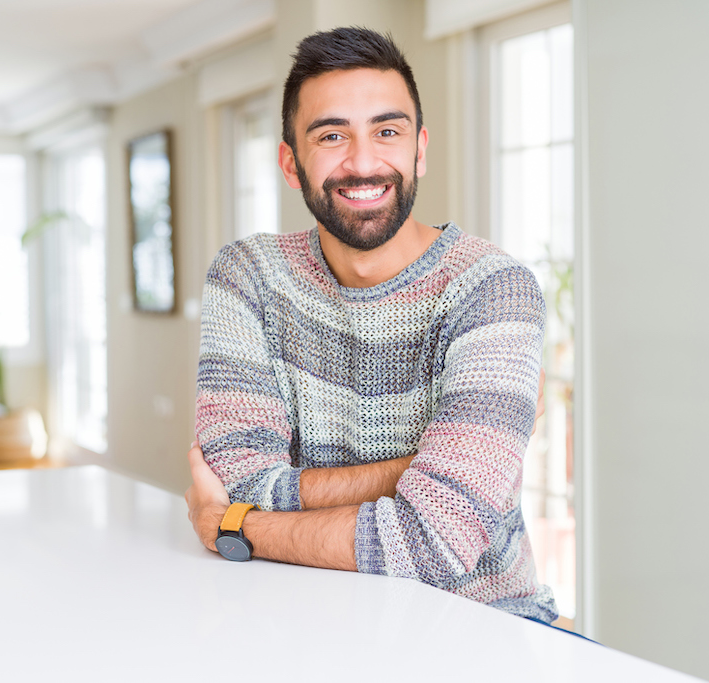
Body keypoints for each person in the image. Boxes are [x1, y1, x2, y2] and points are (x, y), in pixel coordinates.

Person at [185, 26, 557, 623]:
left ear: (420, 150)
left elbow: (432, 544)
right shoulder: (247, 275)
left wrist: (236, 528)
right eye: (332, 135)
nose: (363, 162)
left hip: (483, 630)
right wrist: (430, 471)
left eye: (387, 131)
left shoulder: (493, 289)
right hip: (301, 620)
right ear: (290, 162)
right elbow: (239, 478)